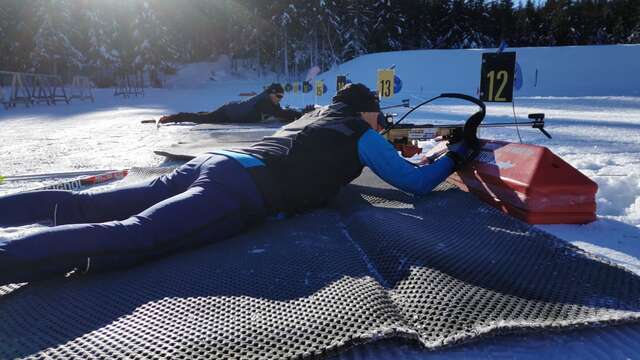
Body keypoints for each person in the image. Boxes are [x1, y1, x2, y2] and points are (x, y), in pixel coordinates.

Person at [0, 83, 474, 285]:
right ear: (368, 111)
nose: (381, 120)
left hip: (215, 163)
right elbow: (415, 185)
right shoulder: (362, 132)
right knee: (132, 236)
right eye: (378, 114)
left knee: (94, 206)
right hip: (238, 188)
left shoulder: (314, 117)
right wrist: (455, 152)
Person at [158, 83, 307, 125]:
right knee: (202, 119)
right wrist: (301, 115)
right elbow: (280, 114)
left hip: (232, 109)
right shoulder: (264, 102)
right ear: (271, 94)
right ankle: (171, 118)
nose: (280, 99)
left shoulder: (269, 102)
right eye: (279, 96)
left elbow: (282, 113)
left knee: (205, 115)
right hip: (228, 112)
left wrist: (301, 113)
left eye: (282, 97)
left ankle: (202, 113)